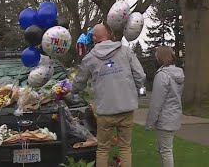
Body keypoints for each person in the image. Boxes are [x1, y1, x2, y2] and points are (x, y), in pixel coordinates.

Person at [71, 23, 146, 167]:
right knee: (125, 147)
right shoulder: (125, 51)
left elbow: (79, 82)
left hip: (105, 110)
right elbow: (140, 75)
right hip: (126, 107)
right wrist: (138, 89)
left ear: (94, 38)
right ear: (109, 34)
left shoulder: (90, 58)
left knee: (103, 148)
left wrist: (72, 91)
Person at [145, 46, 184, 167]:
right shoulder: (179, 73)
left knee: (166, 151)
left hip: (165, 117)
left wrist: (149, 123)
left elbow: (157, 102)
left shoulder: (162, 76)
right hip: (174, 115)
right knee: (164, 148)